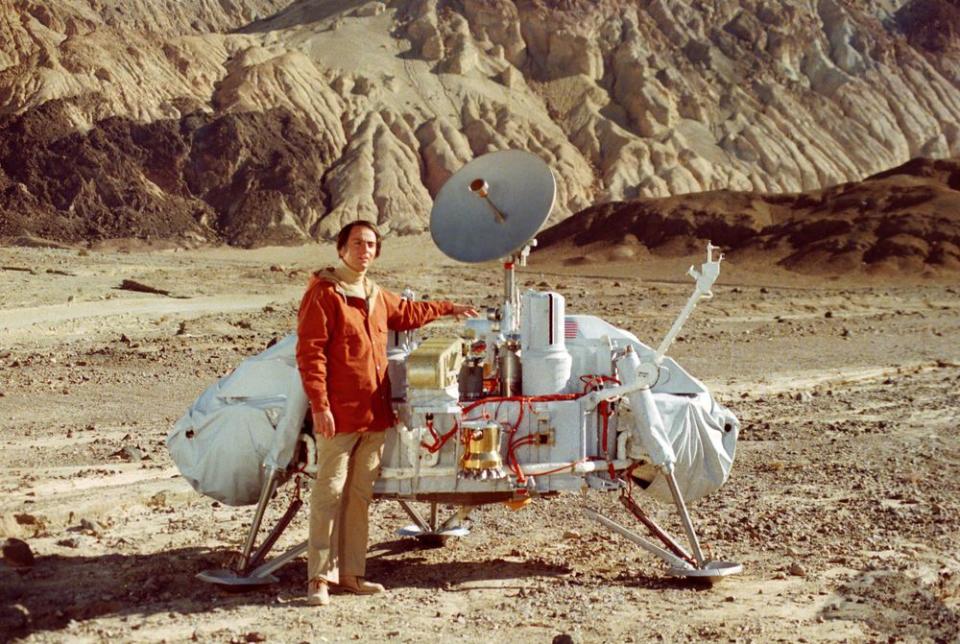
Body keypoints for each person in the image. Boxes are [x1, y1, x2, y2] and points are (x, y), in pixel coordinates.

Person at [296, 220, 477, 606]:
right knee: (329, 493)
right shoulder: (324, 293)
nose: (365, 250)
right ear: (341, 248)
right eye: (358, 243)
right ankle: (319, 579)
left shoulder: (376, 295)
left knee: (359, 496)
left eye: (372, 244)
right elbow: (310, 355)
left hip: (375, 416)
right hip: (338, 416)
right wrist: (320, 407)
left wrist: (449, 308)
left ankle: (351, 575)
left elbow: (410, 313)